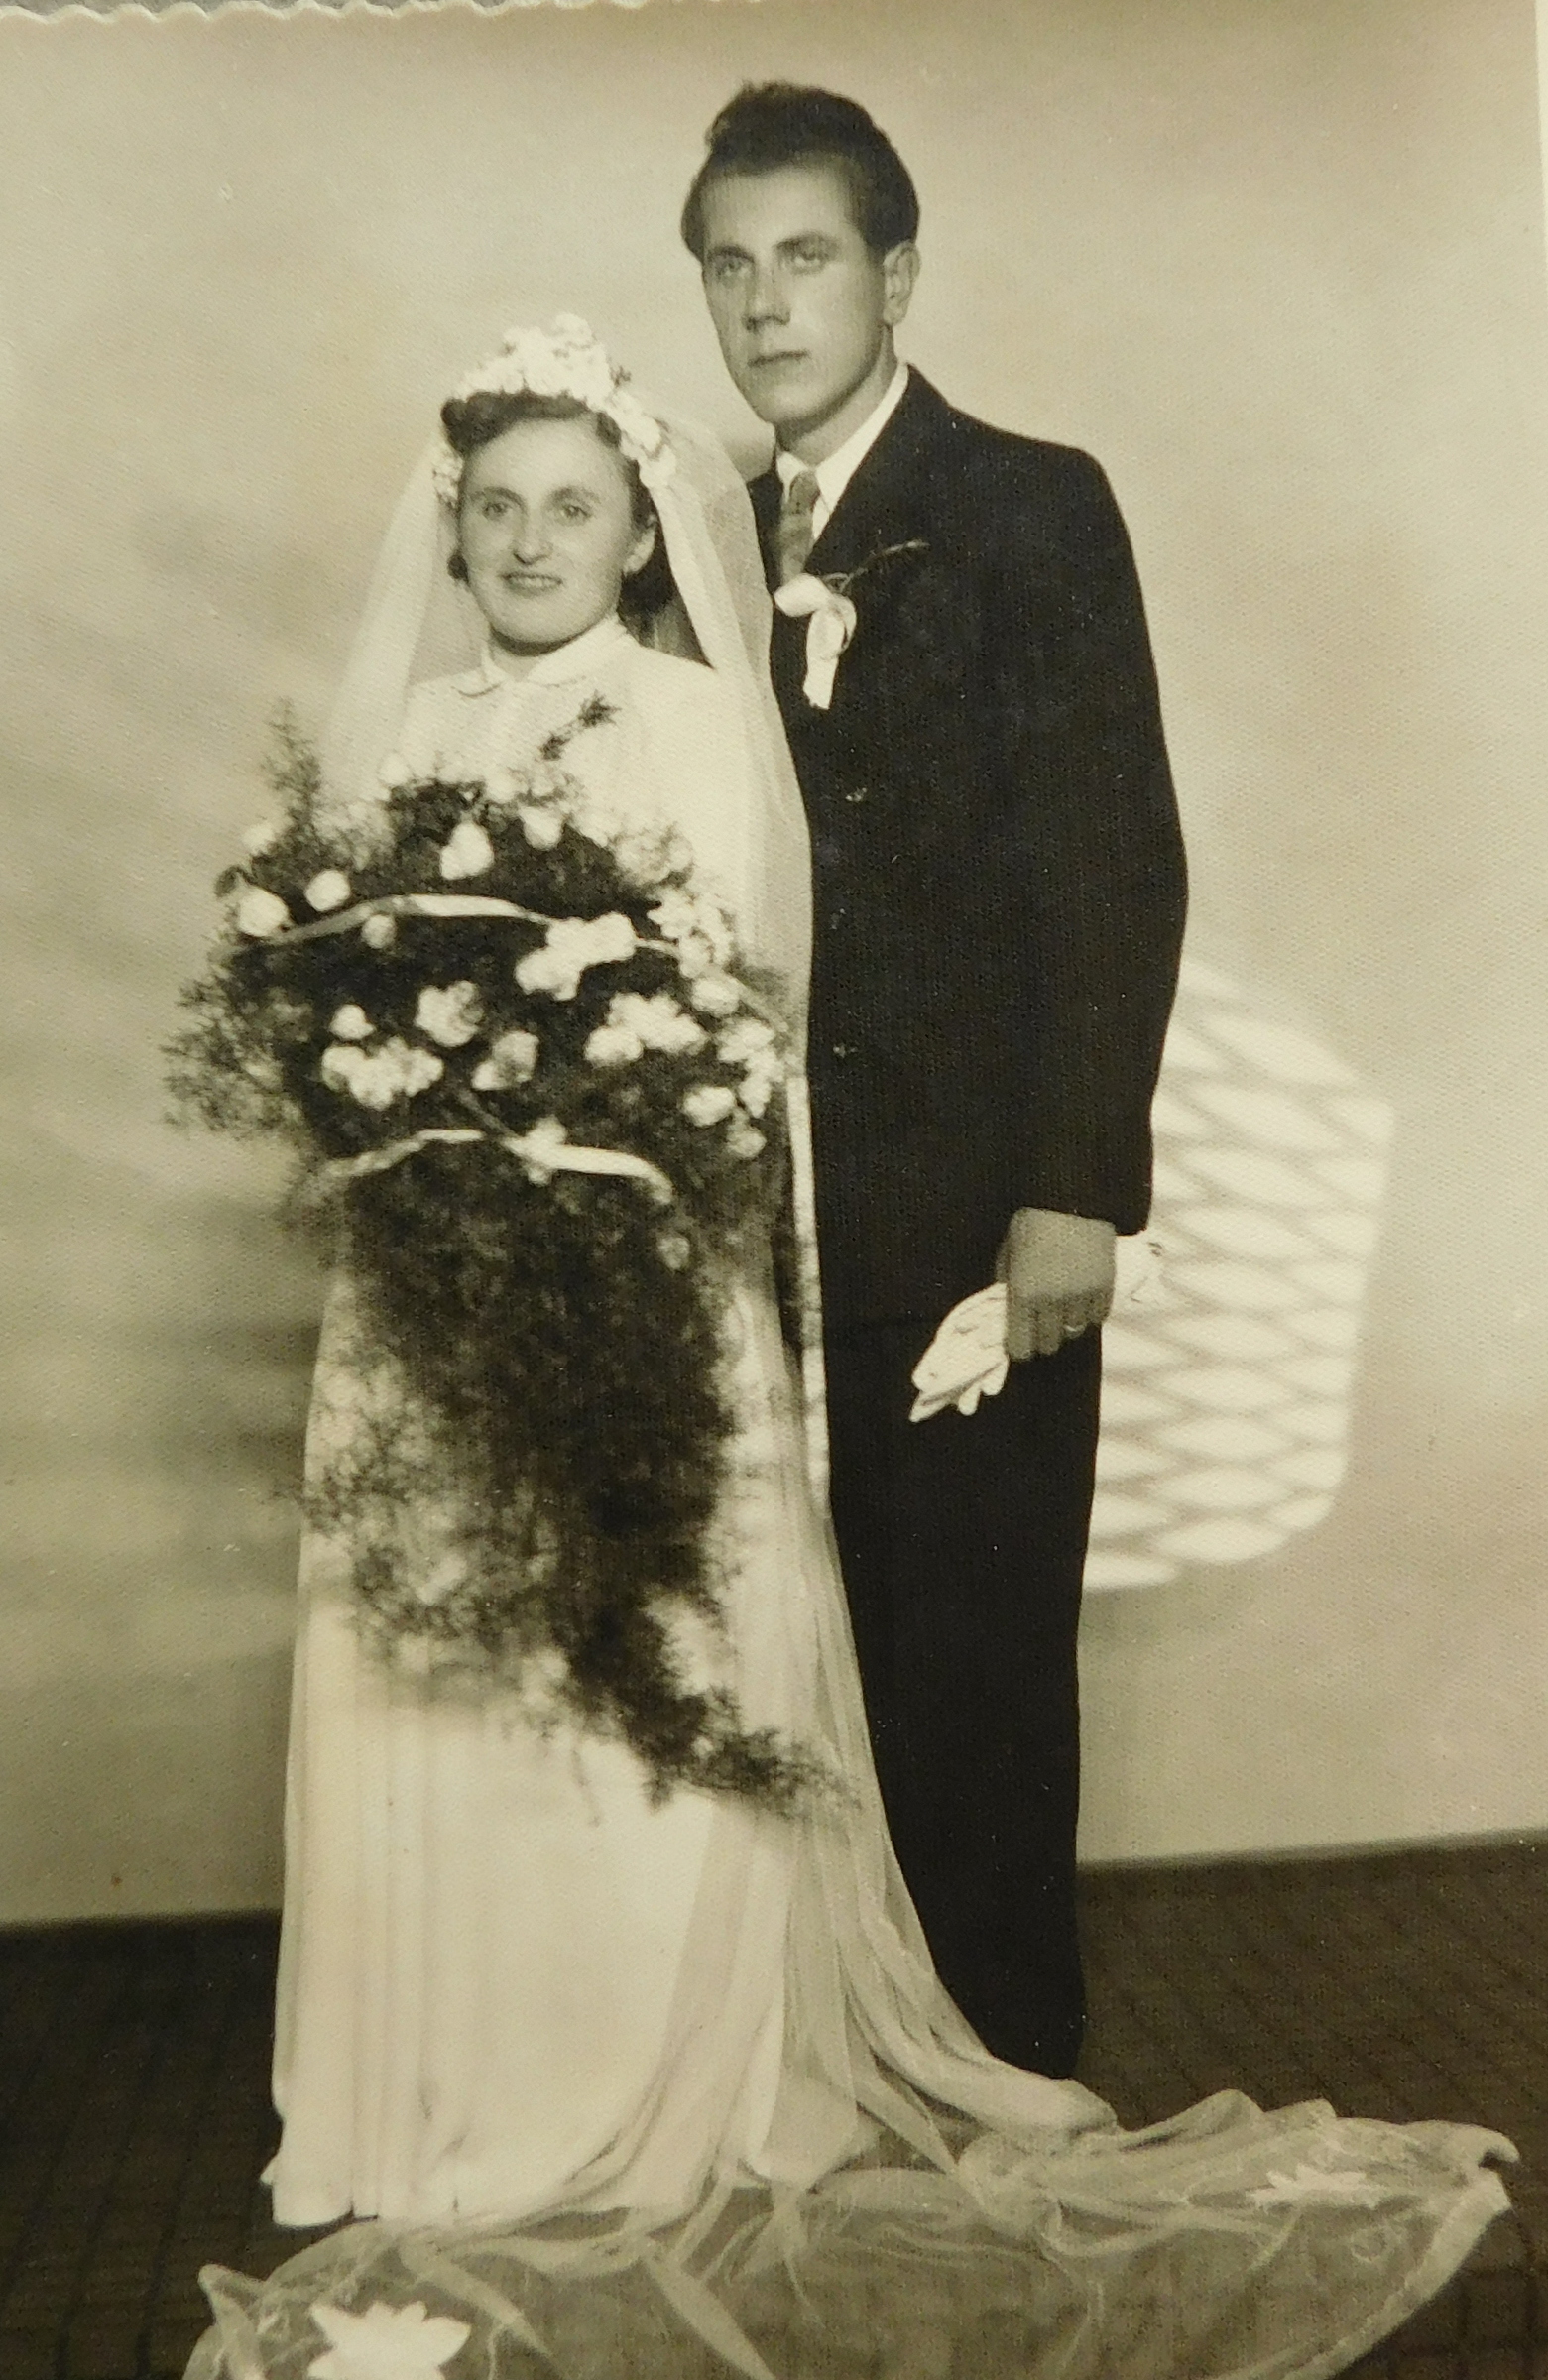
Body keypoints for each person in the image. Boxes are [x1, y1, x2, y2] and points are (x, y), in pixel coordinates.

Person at [185, 321, 1510, 2380]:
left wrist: (584, 1167)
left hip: (635, 1265)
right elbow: (333, 1017)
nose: (530, 542)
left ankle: (652, 2079)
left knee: (641, 1680)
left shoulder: (698, 723)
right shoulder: (402, 729)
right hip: (433, 1293)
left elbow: (743, 1019)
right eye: (497, 508)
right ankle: (439, 2095)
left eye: (573, 506)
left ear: (640, 535)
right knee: (447, 1667)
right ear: (451, 533)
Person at [683, 83, 1189, 2077]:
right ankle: (832, 2072)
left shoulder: (1027, 504)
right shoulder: (694, 546)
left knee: (969, 1660)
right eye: (728, 265)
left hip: (976, 1206)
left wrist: (1074, 1190)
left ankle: (1000, 2079)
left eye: (804, 255)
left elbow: (1113, 859)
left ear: (893, 276)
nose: (764, 302)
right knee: (782, 1665)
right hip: (758, 1217)